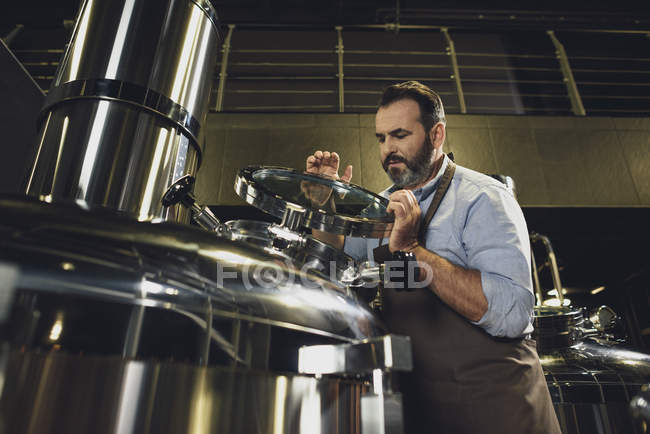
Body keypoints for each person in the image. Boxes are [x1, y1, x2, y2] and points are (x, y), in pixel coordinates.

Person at [305, 81, 561, 434]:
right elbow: (334, 279)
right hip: (420, 411)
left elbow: (512, 314)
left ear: (436, 134)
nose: (388, 149)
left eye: (399, 135)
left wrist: (413, 249)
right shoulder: (377, 209)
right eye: (381, 138)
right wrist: (325, 208)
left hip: (496, 410)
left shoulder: (483, 198)